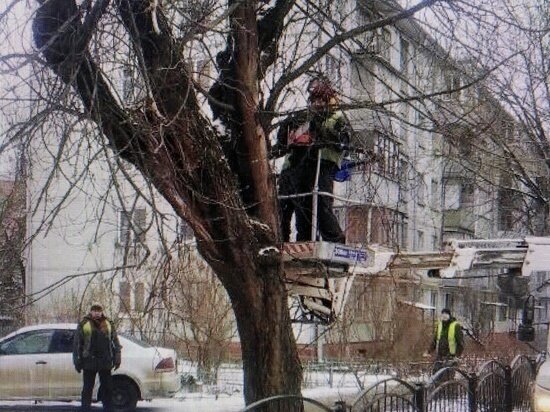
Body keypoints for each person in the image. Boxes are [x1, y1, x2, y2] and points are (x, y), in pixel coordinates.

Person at [272, 77, 349, 243]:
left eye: (322, 100)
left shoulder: (337, 118)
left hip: (324, 163)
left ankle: (334, 240)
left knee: (319, 204)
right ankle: (291, 240)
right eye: (315, 100)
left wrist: (321, 133)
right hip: (300, 164)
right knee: (294, 206)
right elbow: (285, 141)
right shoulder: (304, 119)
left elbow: (343, 142)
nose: (318, 104)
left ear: (329, 99)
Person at [73, 304, 122, 411]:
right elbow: (77, 344)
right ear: (91, 312)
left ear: (102, 312)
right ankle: (85, 409)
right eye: (94, 311)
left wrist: (117, 357)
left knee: (107, 388)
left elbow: (115, 342)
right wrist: (77, 360)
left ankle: (108, 409)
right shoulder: (84, 324)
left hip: (105, 361)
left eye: (99, 311)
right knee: (87, 389)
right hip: (89, 362)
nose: (97, 313)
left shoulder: (108, 323)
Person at [429, 308, 464, 374]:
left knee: (447, 376)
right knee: (436, 375)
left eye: (446, 314)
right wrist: (429, 351)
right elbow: (435, 340)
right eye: (443, 314)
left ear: (449, 315)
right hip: (440, 355)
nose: (444, 316)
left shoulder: (455, 326)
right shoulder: (440, 325)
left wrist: (457, 355)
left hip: (451, 356)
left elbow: (460, 343)